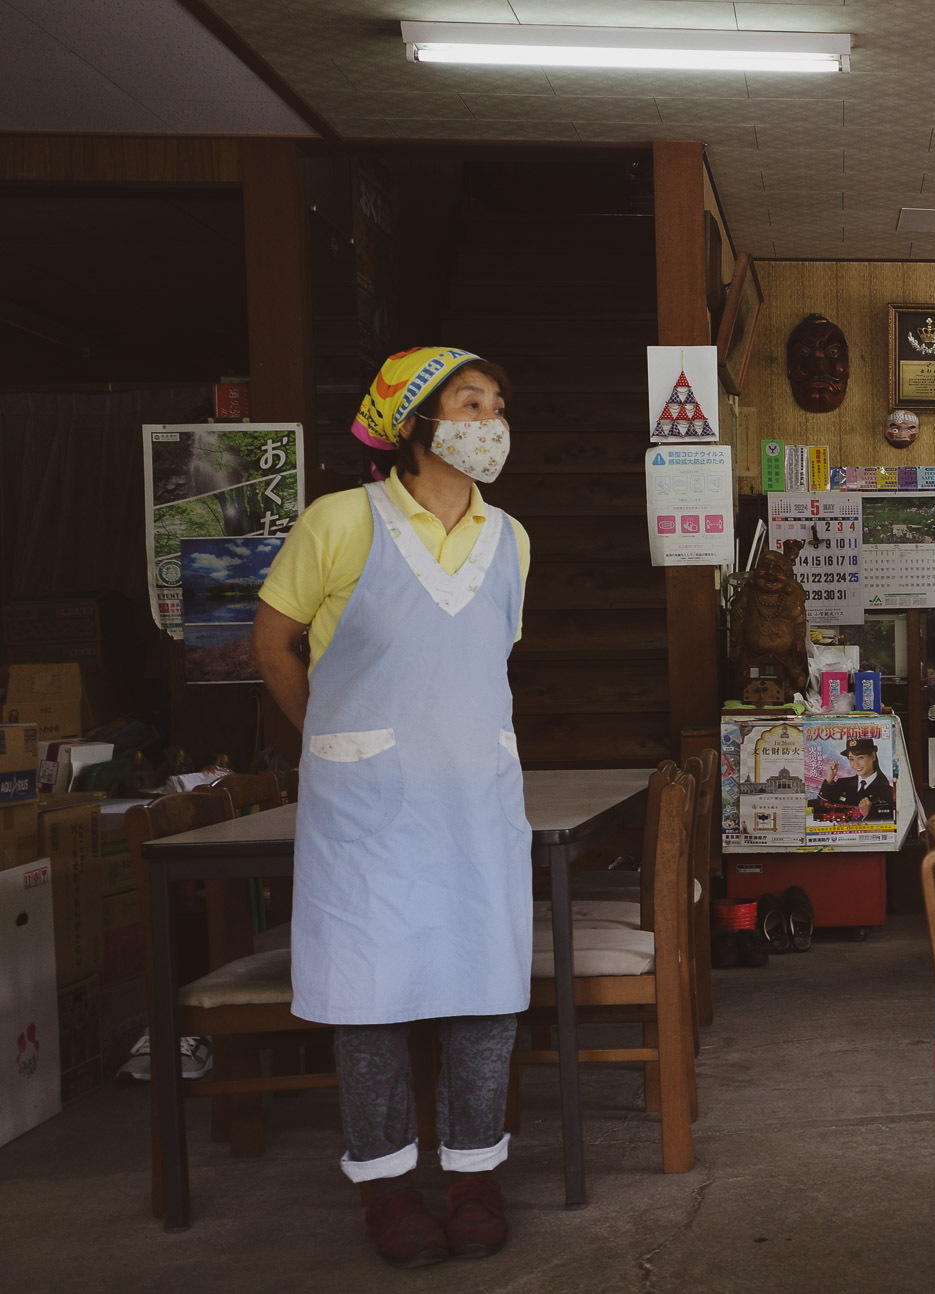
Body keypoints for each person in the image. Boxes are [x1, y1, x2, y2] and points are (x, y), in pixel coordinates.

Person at [250, 346, 532, 1270]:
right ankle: (388, 1189)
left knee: (483, 987)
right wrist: (328, 734)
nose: (489, 420)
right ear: (414, 423)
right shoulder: (340, 520)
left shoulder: (511, 539)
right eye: (470, 403)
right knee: (369, 999)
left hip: (476, 797)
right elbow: (273, 642)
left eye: (497, 405)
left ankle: (476, 1178)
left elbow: (481, 657)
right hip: (366, 807)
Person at [816, 739, 894, 822]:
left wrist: (868, 815)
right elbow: (821, 808)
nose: (856, 764)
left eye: (860, 758)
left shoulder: (887, 791)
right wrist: (829, 779)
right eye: (851, 759)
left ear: (873, 756)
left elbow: (889, 824)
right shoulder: (843, 783)